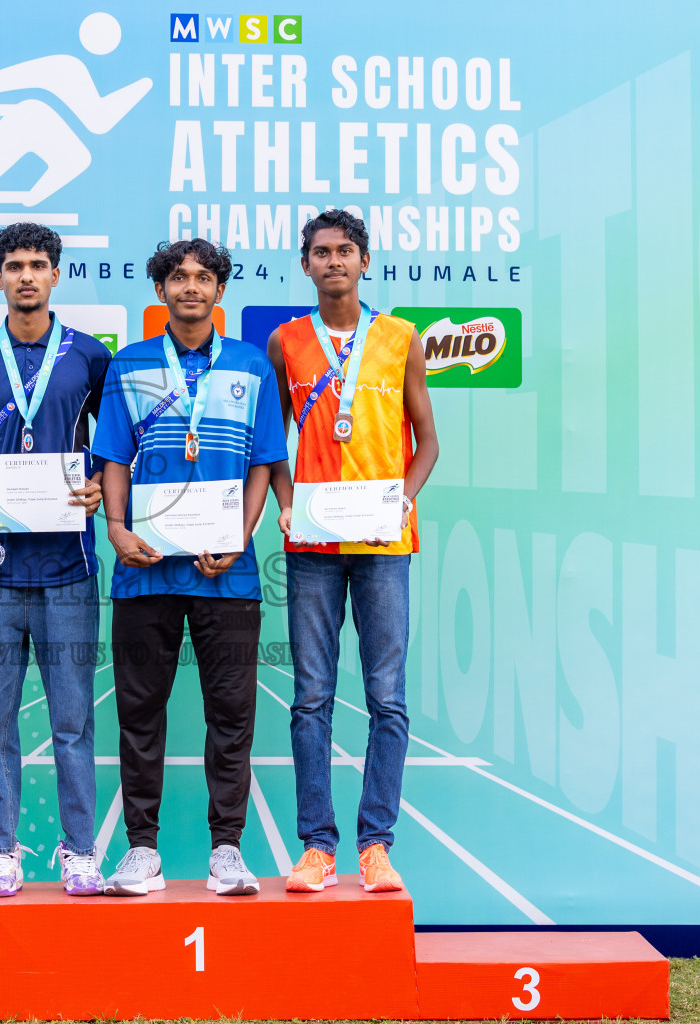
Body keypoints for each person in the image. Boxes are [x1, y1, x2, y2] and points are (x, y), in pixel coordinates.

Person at [91, 238, 288, 897]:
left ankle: (227, 850)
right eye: (178, 277)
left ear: (221, 289)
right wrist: (116, 529)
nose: (191, 287)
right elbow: (113, 458)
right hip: (143, 568)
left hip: (225, 573)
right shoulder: (130, 364)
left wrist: (242, 533)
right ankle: (141, 852)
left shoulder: (252, 366)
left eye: (204, 277)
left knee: (230, 713)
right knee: (140, 712)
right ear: (161, 289)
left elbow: (264, 462)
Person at [0, 222, 112, 898]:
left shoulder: (91, 358)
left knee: (73, 719)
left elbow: (115, 448)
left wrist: (100, 484)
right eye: (14, 265)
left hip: (69, 569)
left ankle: (81, 850)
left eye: (38, 264)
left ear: (57, 274)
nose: (27, 275)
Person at [266, 210, 440, 893]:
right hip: (312, 542)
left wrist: (405, 496)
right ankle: (318, 847)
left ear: (365, 261)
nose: (333, 261)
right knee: (311, 698)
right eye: (320, 252)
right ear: (304, 265)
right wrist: (283, 499)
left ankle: (376, 846)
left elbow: (427, 440)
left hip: (383, 540)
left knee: (386, 698)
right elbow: (270, 442)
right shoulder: (286, 342)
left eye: (345, 251)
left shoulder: (400, 338)